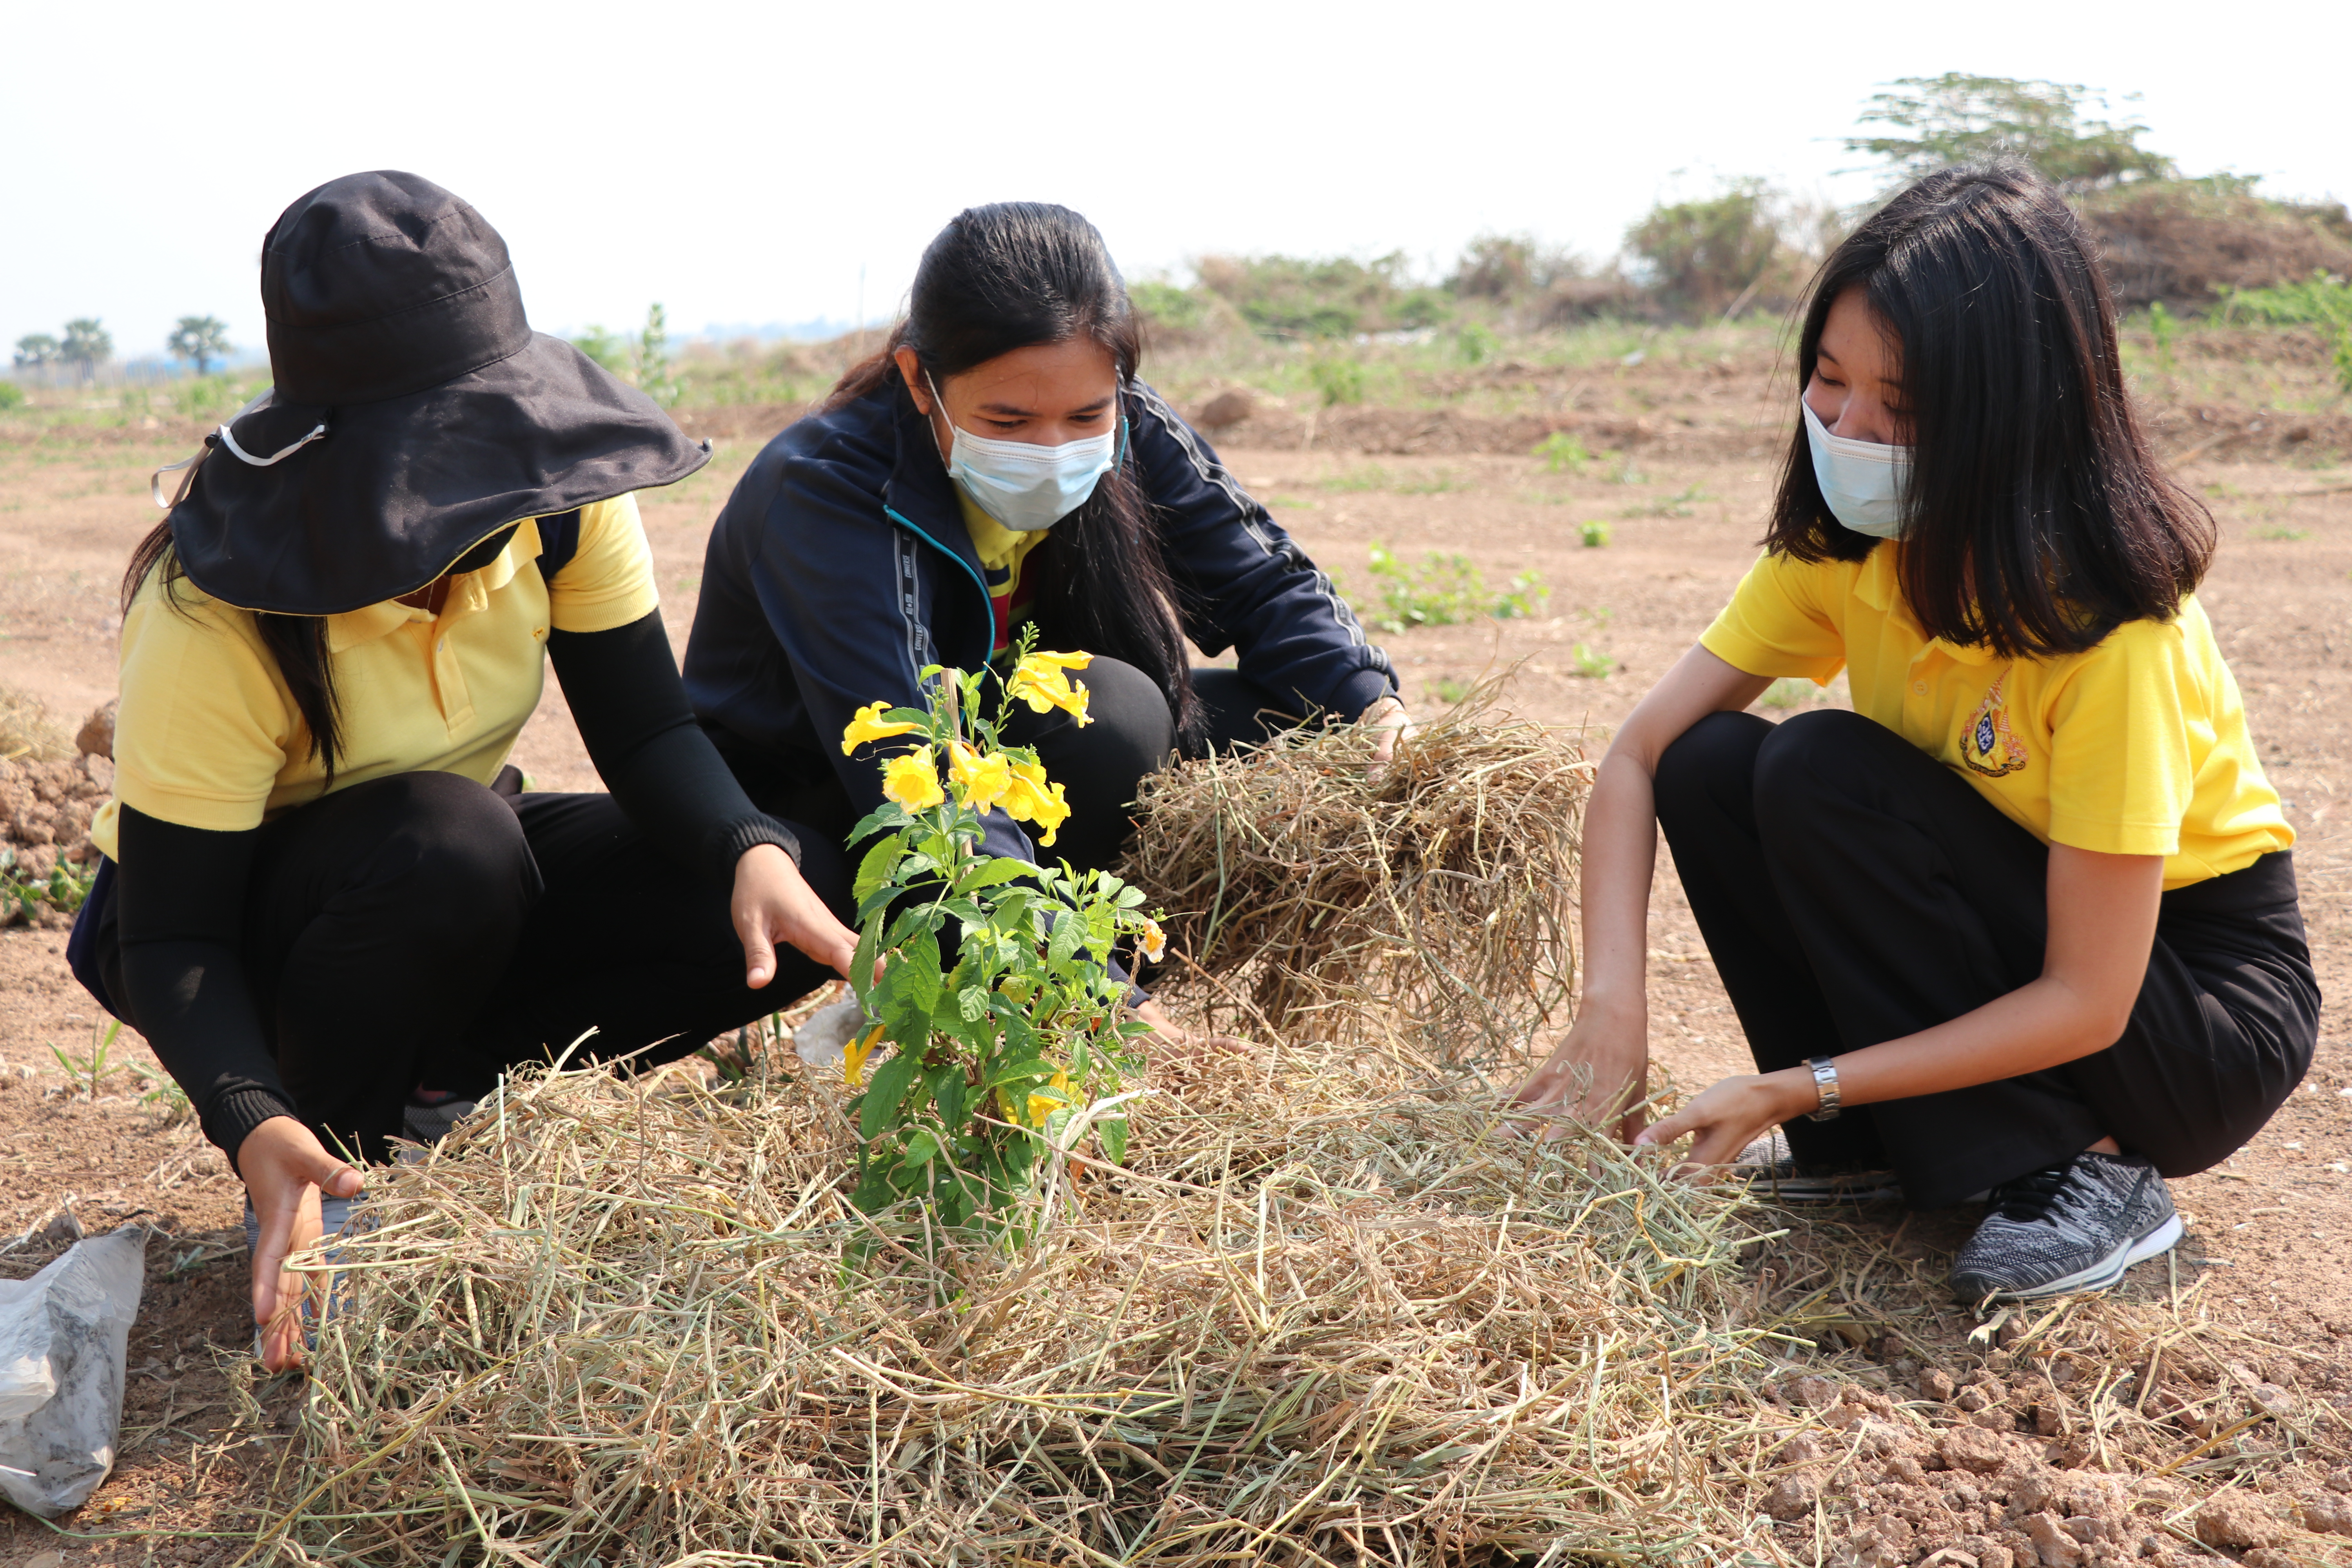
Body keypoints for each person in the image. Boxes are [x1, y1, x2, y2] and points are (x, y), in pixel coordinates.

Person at [66, 171, 860, 1370]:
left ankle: (440, 1093)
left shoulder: (558, 505)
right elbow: (172, 941)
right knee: (447, 845)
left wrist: (752, 851)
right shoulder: (215, 610)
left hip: (441, 886)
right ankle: (328, 1169)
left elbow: (648, 734)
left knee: (794, 857)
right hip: (239, 932)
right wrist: (252, 1119)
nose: (480, 501)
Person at [1509, 162, 2316, 1305]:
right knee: (1716, 765)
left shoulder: (2112, 635)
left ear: (2012, 416)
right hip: (2032, 920)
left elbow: (2089, 995)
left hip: (2185, 1010)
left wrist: (1801, 1086)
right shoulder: (1847, 556)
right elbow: (1640, 752)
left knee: (1820, 766)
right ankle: (1882, 1152)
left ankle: (2082, 1172)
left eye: (1904, 408)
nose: (1849, 428)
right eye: (1831, 383)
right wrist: (1612, 1018)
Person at [682, 202, 1407, 1033]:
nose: (1055, 447)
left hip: (1014, 765)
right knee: (1112, 717)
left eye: (1085, 416)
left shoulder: (1129, 425)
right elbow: (914, 764)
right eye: (1008, 422)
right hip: (840, 806)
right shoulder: (826, 489)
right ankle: (1036, 997)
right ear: (921, 380)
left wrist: (1370, 703)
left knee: (1313, 728)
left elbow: (1263, 580)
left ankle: (1100, 974)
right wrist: (1094, 1000)